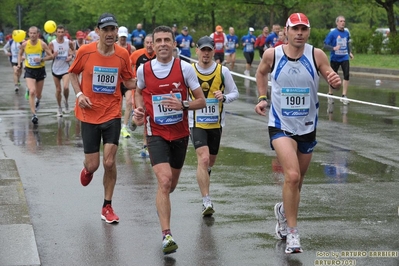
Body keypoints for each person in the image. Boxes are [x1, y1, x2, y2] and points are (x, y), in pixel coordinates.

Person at [254, 13, 342, 254]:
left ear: (309, 32)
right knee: (291, 176)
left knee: (298, 181)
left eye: (304, 29)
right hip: (280, 124)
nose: (300, 33)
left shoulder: (316, 55)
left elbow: (332, 78)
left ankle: (283, 211)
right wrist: (263, 98)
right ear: (287, 30)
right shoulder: (273, 54)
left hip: (307, 126)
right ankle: (293, 233)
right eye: (295, 29)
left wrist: (335, 80)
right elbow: (261, 73)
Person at [133, 25, 205, 255]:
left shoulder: (185, 68)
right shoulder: (144, 69)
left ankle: (160, 204)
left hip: (181, 134)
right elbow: (138, 91)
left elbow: (202, 101)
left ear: (175, 44)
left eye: (167, 40)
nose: (163, 44)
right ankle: (167, 235)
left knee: (171, 185)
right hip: (155, 133)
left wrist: (183, 104)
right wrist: (139, 109)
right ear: (152, 45)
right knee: (164, 182)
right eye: (159, 40)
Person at [68, 13, 136, 224]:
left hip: (112, 113)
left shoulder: (123, 54)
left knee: (109, 161)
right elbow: (73, 74)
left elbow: (129, 81)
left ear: (117, 31)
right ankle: (88, 169)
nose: (109, 33)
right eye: (105, 29)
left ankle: (107, 205)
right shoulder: (85, 52)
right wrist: (79, 95)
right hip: (89, 114)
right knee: (94, 165)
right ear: (97, 31)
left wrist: (149, 78)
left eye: (112, 29)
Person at [189, 36, 239, 216]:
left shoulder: (222, 71)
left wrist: (224, 97)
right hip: (196, 122)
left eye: (209, 50)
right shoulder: (190, 70)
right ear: (197, 51)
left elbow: (235, 93)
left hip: (216, 123)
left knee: (209, 162)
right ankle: (206, 201)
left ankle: (205, 177)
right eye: (203, 50)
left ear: (213, 51)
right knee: (203, 159)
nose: (206, 53)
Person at [18, 26, 53, 124]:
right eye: (31, 33)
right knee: (32, 91)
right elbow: (20, 54)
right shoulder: (25, 44)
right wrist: (19, 64)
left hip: (40, 70)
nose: (33, 35)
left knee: (38, 94)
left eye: (34, 33)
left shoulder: (42, 44)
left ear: (38, 34)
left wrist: (42, 59)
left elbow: (51, 56)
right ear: (28, 34)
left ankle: (37, 101)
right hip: (29, 70)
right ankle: (34, 115)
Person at [129, 34, 156, 156]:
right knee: (140, 120)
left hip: (153, 93)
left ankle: (146, 145)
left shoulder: (158, 56)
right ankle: (133, 120)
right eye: (147, 43)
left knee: (148, 118)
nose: (150, 45)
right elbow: (127, 67)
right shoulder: (137, 54)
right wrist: (132, 77)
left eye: (151, 43)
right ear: (144, 43)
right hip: (140, 92)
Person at [324, 15, 353, 105]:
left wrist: (349, 52)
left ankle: (344, 95)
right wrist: (333, 48)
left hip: (344, 57)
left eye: (344, 21)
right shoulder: (332, 33)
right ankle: (330, 94)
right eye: (340, 21)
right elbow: (325, 45)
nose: (342, 23)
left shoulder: (346, 33)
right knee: (333, 76)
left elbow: (347, 43)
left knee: (346, 75)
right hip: (335, 58)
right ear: (337, 23)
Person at [48, 25, 75, 116]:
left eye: (62, 32)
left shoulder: (69, 42)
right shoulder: (52, 43)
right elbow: (48, 56)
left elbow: (74, 52)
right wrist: (53, 55)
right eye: (58, 32)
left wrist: (71, 56)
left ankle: (66, 102)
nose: (60, 34)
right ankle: (59, 107)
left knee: (66, 87)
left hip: (65, 68)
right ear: (55, 33)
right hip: (55, 69)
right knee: (58, 90)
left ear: (65, 32)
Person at [117, 26, 135, 139]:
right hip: (117, 81)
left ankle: (124, 127)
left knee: (129, 102)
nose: (123, 39)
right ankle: (116, 126)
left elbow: (134, 62)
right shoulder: (113, 47)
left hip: (127, 79)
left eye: (124, 37)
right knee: (118, 105)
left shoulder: (131, 48)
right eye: (121, 37)